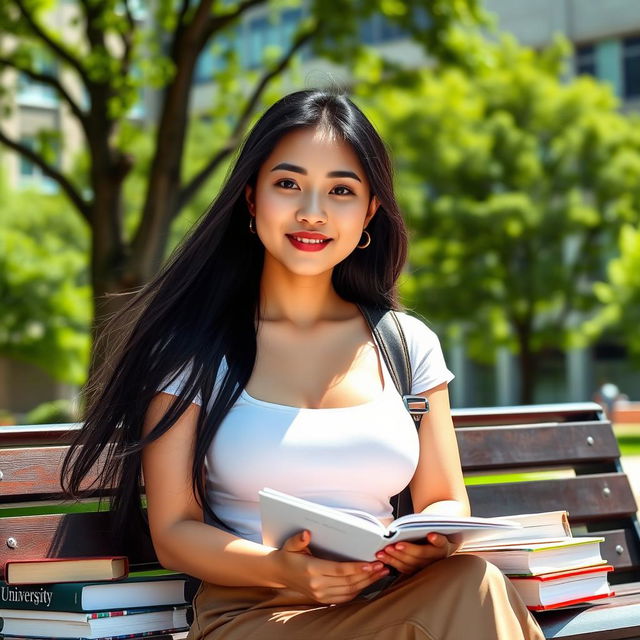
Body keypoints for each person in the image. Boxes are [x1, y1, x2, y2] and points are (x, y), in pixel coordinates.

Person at [62, 89, 544, 640]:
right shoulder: (191, 350)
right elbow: (174, 529)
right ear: (251, 198)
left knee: (473, 580)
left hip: (388, 597)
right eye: (288, 183)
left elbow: (444, 499)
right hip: (257, 612)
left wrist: (429, 545)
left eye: (341, 190)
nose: (312, 211)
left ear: (369, 212)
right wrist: (281, 568)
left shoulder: (407, 346)